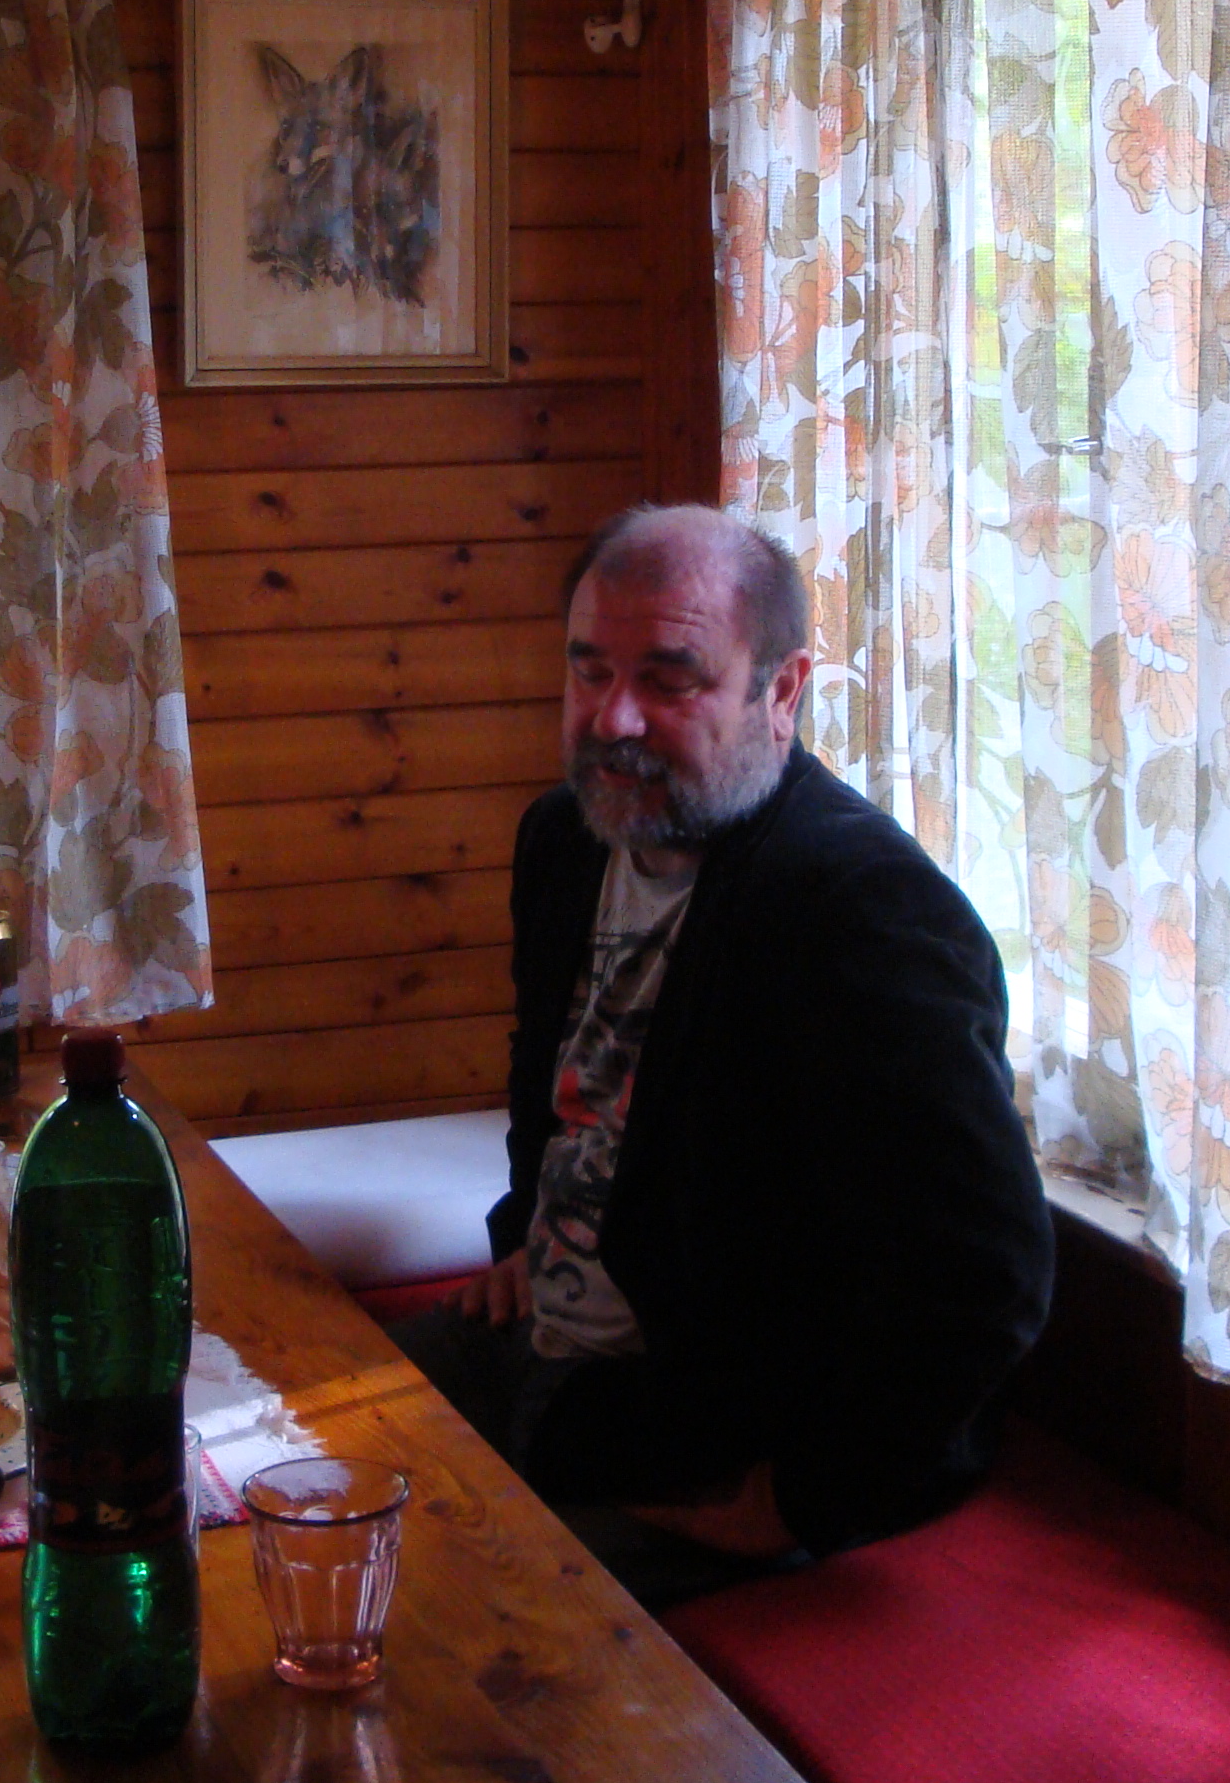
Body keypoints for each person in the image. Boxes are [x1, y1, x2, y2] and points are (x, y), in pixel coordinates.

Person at [394, 504, 1055, 1607]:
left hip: (704, 1432)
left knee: (428, 1614)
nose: (614, 719)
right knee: (268, 1475)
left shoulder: (860, 909)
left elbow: (986, 1277)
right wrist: (528, 1240)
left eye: (670, 680)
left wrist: (797, 1500)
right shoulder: (567, 839)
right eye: (590, 670)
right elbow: (552, 1083)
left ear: (781, 692)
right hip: (546, 1352)